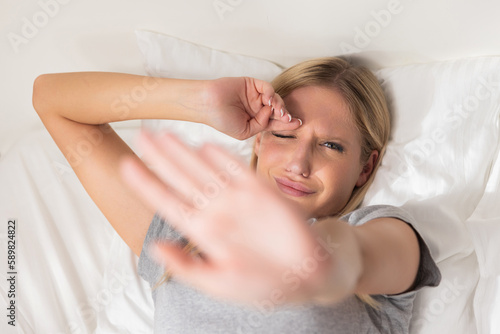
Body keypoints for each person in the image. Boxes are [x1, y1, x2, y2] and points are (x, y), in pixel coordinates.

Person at [32, 57, 441, 333]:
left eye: (331, 146)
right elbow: (52, 101)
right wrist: (198, 102)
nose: (299, 163)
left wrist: (316, 264)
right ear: (259, 142)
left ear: (365, 169)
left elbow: (360, 255)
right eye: (283, 135)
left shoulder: (378, 228)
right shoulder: (186, 231)